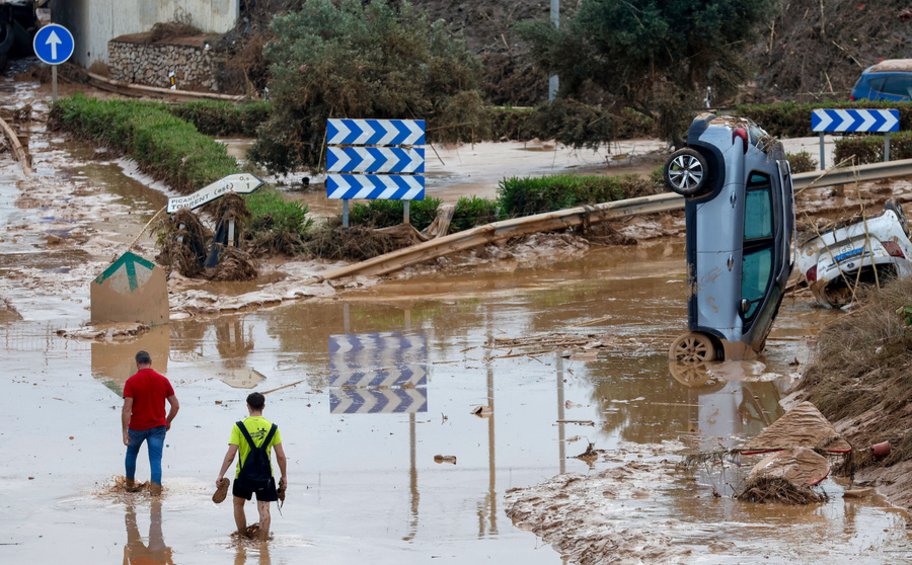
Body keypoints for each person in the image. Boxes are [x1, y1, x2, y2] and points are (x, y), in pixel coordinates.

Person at [216, 392, 287, 540]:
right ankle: (262, 543)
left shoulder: (239, 427)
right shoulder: (272, 428)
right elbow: (280, 456)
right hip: (265, 476)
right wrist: (284, 476)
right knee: (264, 508)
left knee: (238, 505)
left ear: (248, 406)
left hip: (243, 476)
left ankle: (242, 537)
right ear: (263, 406)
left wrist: (221, 474)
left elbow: (231, 455)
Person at [122, 350, 180, 496]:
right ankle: (155, 493)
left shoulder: (131, 382)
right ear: (150, 362)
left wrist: (124, 431)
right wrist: (167, 421)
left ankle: (129, 486)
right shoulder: (162, 380)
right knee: (155, 460)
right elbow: (175, 405)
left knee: (131, 454)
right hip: (157, 427)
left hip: (137, 427)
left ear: (137, 364)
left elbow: (127, 409)